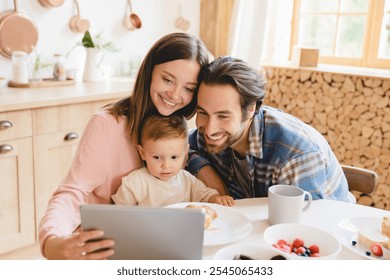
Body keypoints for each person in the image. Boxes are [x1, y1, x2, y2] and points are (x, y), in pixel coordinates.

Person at [39, 33, 227, 260]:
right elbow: (73, 191)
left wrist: (203, 170)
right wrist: (51, 240)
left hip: (163, 245)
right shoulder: (107, 124)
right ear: (149, 72)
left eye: (188, 88)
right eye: (167, 80)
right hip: (109, 248)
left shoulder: (177, 123)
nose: (175, 95)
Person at [187, 56, 355, 203]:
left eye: (223, 116)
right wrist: (204, 169)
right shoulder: (210, 133)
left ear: (251, 109)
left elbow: (305, 225)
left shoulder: (295, 154)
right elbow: (181, 146)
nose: (209, 129)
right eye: (202, 112)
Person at [112, 114, 234, 207]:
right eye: (156, 157)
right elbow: (118, 213)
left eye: (174, 157)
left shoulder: (187, 180)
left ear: (185, 153)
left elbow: (206, 195)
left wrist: (217, 198)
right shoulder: (135, 183)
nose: (166, 165)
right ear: (142, 153)